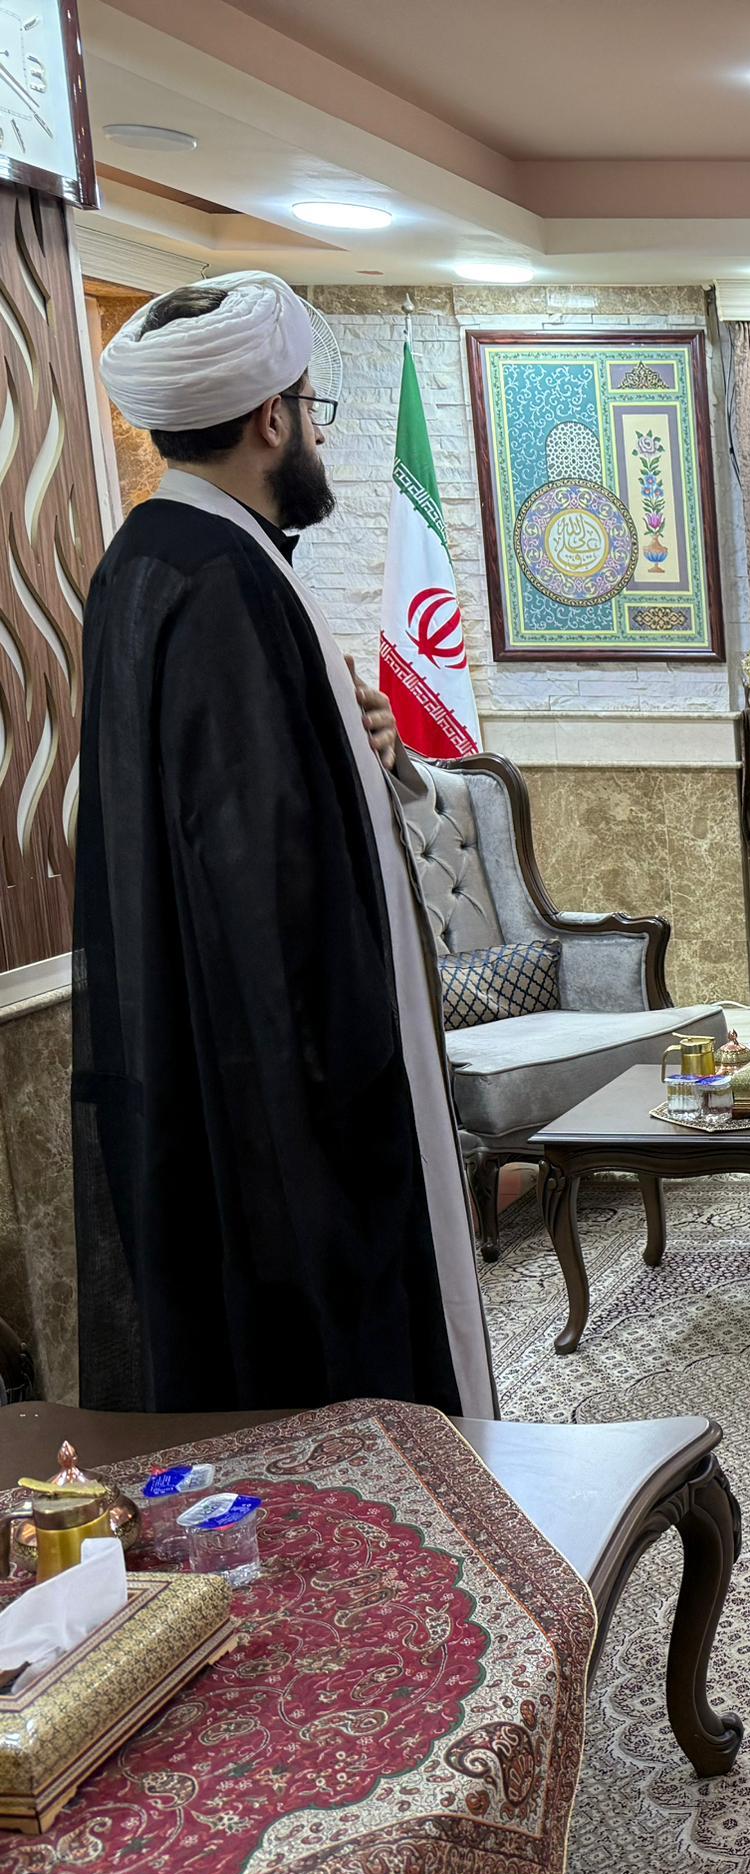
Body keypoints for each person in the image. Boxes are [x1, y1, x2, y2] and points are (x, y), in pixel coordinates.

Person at [75, 272, 496, 1416]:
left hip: (237, 1078)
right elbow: (266, 886)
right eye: (314, 410)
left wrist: (359, 744)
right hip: (290, 1098)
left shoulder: (171, 555)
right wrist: (334, 1117)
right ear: (272, 420)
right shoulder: (219, 583)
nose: (320, 435)